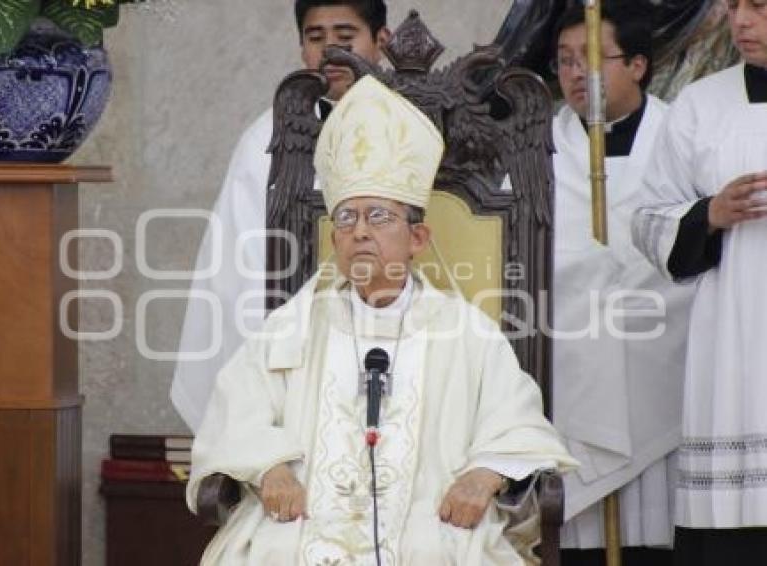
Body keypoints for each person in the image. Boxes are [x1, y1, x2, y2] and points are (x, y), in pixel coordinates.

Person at [186, 75, 577, 565]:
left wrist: (483, 477)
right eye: (347, 219)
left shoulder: (465, 330)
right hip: (306, 512)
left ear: (417, 239)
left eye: (379, 217)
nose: (361, 232)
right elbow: (237, 409)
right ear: (334, 240)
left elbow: (515, 422)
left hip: (430, 513)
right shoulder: (295, 325)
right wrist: (270, 471)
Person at [171, 0, 390, 431]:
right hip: (299, 352)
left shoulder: (418, 126)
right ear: (301, 48)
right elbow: (240, 271)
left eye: (346, 38)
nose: (331, 51)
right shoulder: (266, 140)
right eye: (316, 38)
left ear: (381, 41)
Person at [549, 3, 694, 562]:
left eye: (588, 59)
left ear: (636, 65)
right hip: (572, 362)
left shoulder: (681, 137)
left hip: (664, 358)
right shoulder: (538, 150)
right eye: (562, 62)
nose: (573, 76)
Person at [631, 0, 767, 563]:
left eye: (758, 7)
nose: (740, 22)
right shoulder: (700, 104)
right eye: (734, 6)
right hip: (731, 349)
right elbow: (647, 217)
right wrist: (708, 214)